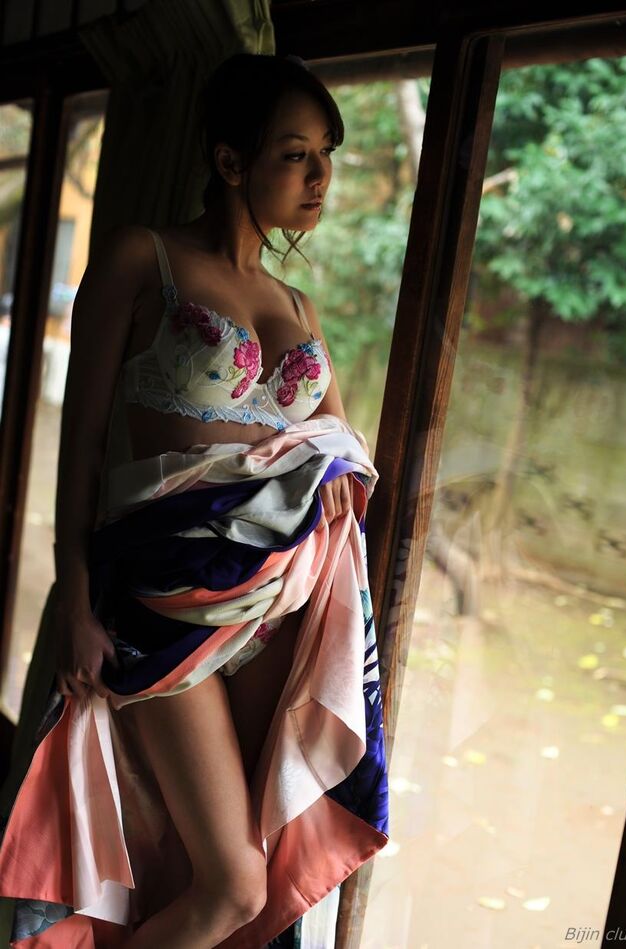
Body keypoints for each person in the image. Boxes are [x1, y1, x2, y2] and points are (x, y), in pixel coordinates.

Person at [0, 53, 389, 948]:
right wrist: (76, 602)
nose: (320, 176)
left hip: (279, 605)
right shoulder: (142, 258)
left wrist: (334, 469)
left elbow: (342, 447)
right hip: (161, 600)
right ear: (230, 160)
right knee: (232, 886)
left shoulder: (300, 305)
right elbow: (82, 447)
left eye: (327, 154)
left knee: (233, 866)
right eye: (296, 154)